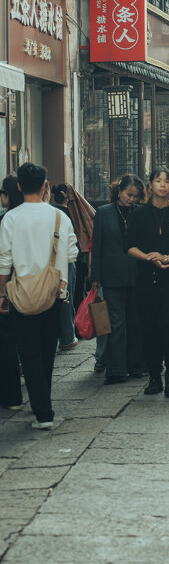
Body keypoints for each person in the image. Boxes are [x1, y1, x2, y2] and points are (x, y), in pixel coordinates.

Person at [0, 163, 78, 429]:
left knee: (29, 351)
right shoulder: (59, 217)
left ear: (19, 187)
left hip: (22, 294)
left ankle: (42, 411)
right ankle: (43, 407)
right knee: (47, 351)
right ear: (45, 185)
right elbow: (72, 255)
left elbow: (4, 262)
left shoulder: (10, 218)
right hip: (54, 294)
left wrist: (1, 293)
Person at [127, 167, 169, 398]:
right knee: (149, 328)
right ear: (150, 185)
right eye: (158, 181)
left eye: (167, 181)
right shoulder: (140, 213)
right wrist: (148, 257)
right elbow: (129, 245)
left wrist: (167, 258)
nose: (163, 185)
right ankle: (154, 377)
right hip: (146, 279)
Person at [91, 174, 146, 384]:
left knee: (135, 320)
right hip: (111, 274)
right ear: (119, 191)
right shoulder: (103, 213)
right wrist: (94, 276)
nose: (131, 199)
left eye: (135, 196)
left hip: (136, 273)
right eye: (128, 194)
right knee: (116, 322)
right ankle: (115, 368)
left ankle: (136, 365)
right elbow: (97, 246)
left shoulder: (139, 212)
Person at [0, 175, 24, 411]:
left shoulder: (6, 220)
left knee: (6, 342)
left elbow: (3, 260)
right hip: (30, 285)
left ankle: (10, 395)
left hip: (8, 286)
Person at [51, 184, 78, 353]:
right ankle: (68, 337)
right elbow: (72, 246)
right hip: (64, 263)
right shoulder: (64, 213)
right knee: (67, 300)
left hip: (47, 265)